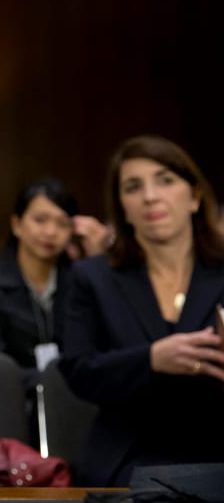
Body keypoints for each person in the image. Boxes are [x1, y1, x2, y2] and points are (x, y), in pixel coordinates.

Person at [60, 135, 224, 486]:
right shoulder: (92, 277)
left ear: (194, 197)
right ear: (122, 208)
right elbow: (79, 370)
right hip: (130, 453)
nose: (150, 196)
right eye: (133, 187)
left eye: (165, 180)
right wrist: (150, 359)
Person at [0, 178, 81, 393]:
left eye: (62, 223)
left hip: (72, 403)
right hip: (10, 401)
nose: (50, 232)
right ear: (16, 225)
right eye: (40, 220)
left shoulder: (80, 282)